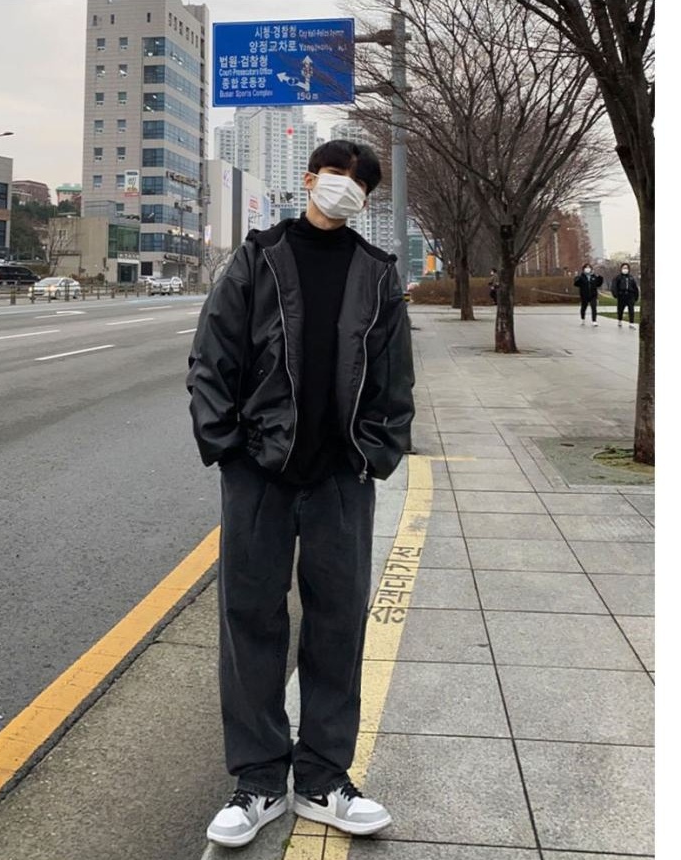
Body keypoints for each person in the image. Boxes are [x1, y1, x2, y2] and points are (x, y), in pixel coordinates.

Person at [187, 140, 415, 848]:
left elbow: (393, 380)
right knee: (249, 622)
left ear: (368, 200)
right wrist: (228, 450)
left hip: (339, 480)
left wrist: (376, 453)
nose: (344, 188)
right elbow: (211, 358)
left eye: (359, 182)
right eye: (335, 174)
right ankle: (257, 780)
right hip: (259, 476)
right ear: (310, 179)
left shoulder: (377, 274)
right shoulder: (256, 257)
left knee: (338, 626)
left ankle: (322, 779)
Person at [611, 262, 640, 329]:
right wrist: (615, 294)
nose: (625, 269)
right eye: (624, 268)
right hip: (621, 295)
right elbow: (614, 286)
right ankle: (620, 320)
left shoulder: (631, 278)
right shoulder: (618, 277)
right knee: (620, 309)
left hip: (630, 295)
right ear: (621, 269)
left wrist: (636, 296)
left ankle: (631, 323)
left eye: (626, 268)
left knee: (631, 310)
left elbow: (635, 287)